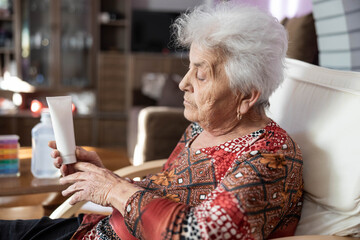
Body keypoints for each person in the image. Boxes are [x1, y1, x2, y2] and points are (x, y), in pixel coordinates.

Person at [0, 2, 303, 240]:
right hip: (92, 228)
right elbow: (166, 193)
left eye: (200, 74)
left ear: (247, 94)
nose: (184, 83)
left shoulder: (269, 160)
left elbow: (198, 234)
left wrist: (112, 190)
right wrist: (103, 177)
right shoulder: (202, 127)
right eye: (189, 68)